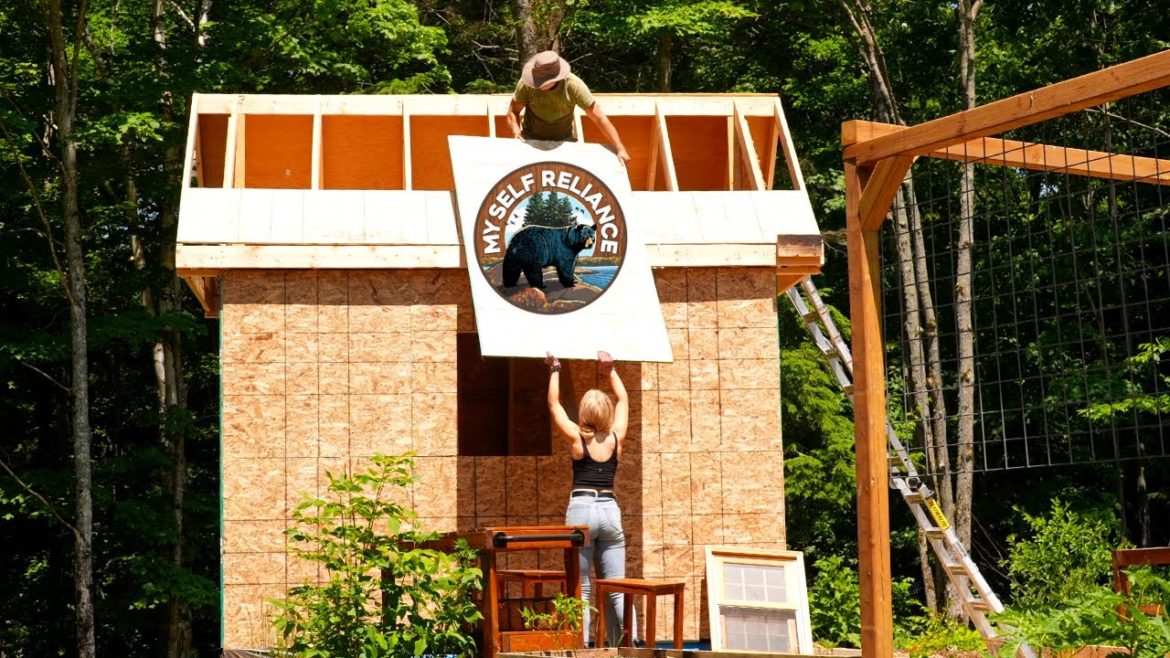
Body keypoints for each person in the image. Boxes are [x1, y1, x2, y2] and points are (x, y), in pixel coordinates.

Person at [545, 349, 629, 646]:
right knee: (615, 588)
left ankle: (583, 648)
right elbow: (623, 400)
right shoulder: (617, 436)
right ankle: (623, 648)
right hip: (609, 509)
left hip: (581, 510)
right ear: (605, 413)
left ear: (584, 413)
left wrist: (555, 368)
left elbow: (553, 403)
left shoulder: (577, 438)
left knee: (582, 587)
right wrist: (610, 370)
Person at [508, 50, 631, 166]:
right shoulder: (526, 84)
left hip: (563, 142)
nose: (537, 83)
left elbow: (599, 118)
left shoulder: (573, 85)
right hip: (531, 140)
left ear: (555, 79)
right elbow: (513, 111)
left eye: (541, 81)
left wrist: (620, 148)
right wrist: (517, 133)